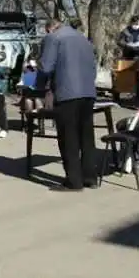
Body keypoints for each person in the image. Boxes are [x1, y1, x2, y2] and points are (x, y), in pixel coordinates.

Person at [37, 18, 98, 192]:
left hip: (67, 92)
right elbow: (92, 68)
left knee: (68, 137)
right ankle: (90, 177)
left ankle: (74, 181)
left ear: (50, 29)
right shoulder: (83, 39)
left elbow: (46, 67)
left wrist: (38, 87)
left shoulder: (53, 38)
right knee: (86, 136)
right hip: (88, 92)